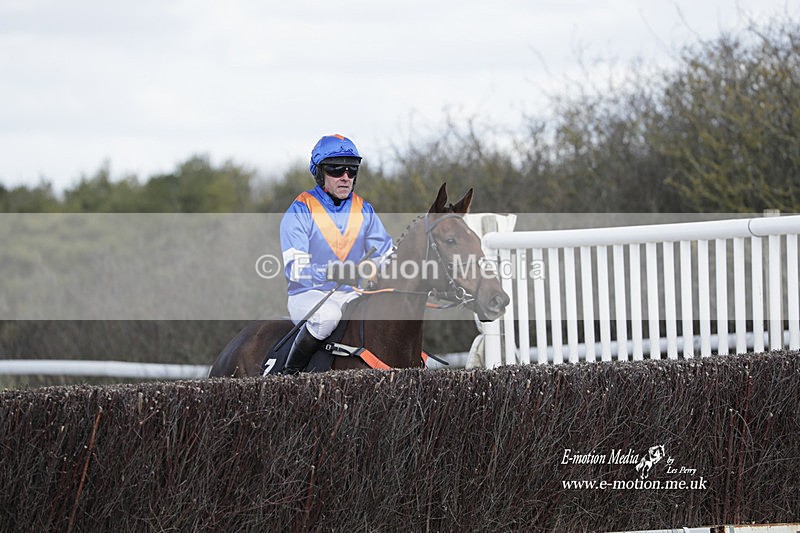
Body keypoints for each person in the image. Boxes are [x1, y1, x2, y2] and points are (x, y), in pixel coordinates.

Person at [278, 134, 394, 374]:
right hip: (308, 295)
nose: (345, 177)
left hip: (351, 294)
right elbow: (296, 269)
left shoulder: (364, 209)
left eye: (351, 170)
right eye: (336, 169)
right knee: (327, 317)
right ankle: (288, 376)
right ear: (320, 173)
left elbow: (386, 254)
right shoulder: (300, 209)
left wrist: (376, 268)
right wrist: (335, 272)